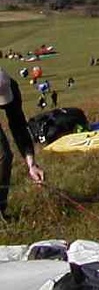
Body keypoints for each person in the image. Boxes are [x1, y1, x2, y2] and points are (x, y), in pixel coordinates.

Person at [0, 68, 45, 219]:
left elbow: (18, 126)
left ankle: (0, 211)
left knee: (4, 157)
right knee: (2, 154)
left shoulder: (10, 86)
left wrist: (31, 164)